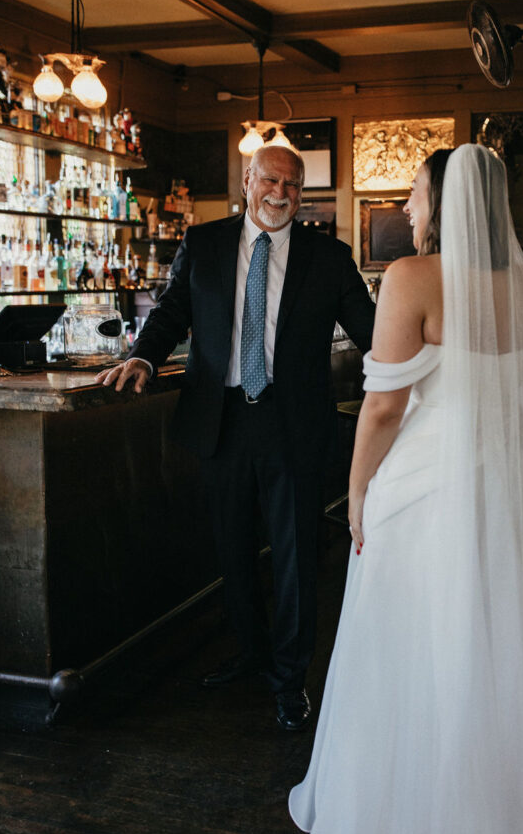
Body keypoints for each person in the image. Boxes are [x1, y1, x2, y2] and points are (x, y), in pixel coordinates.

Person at [283, 144, 523, 834]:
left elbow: (384, 407)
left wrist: (356, 493)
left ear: (445, 202)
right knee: (484, 644)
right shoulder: (517, 284)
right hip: (494, 486)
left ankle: (400, 816)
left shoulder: (411, 277)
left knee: (403, 647)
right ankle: (494, 818)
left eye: (416, 194)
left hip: (419, 486)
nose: (408, 208)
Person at [96, 146, 374, 731]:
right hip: (220, 418)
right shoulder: (205, 243)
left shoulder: (328, 256)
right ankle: (250, 654)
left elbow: (375, 335)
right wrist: (145, 356)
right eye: (271, 179)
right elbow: (171, 313)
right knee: (233, 549)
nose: (282, 193)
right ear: (248, 180)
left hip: (293, 423)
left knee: (296, 555)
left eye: (294, 185)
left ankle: (289, 679)